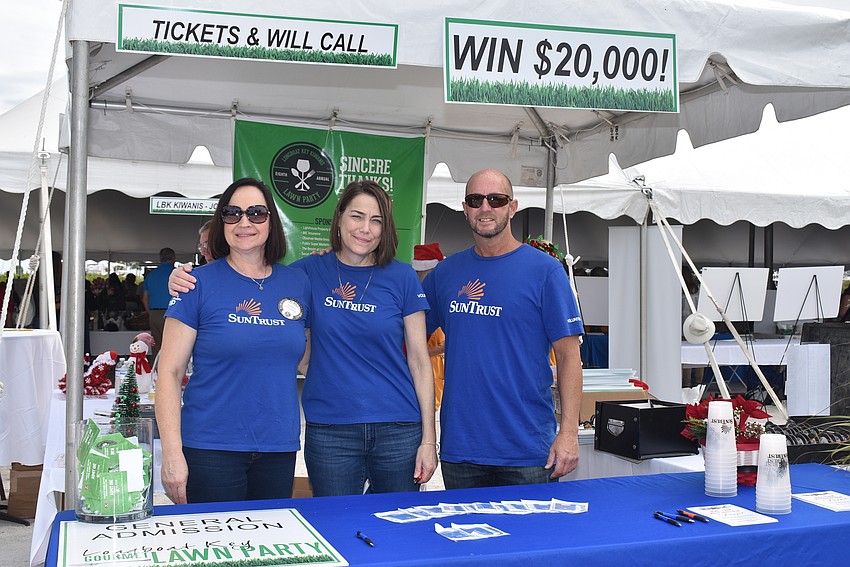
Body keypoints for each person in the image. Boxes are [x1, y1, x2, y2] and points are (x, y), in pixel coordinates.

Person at [169, 180, 437, 496]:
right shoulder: (306, 272)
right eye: (356, 216)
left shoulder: (401, 276)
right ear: (339, 219)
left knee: (398, 527)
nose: (365, 228)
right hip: (330, 428)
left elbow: (420, 361)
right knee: (335, 528)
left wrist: (428, 439)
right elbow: (252, 280)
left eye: (376, 220)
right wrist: (181, 278)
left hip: (397, 427)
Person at [420, 169, 584, 489]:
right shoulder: (446, 273)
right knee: (466, 539)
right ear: (465, 209)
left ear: (513, 207)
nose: (485, 208)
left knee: (529, 540)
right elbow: (407, 339)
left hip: (527, 451)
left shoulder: (545, 272)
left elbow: (569, 357)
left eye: (496, 199)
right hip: (461, 450)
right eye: (475, 200)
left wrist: (568, 433)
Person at [156, 178, 310, 504]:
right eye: (232, 213)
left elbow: (307, 357)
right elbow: (168, 372)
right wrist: (171, 454)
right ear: (221, 221)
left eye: (256, 213)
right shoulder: (194, 284)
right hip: (211, 447)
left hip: (278, 447)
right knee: (215, 552)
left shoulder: (298, 283)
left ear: (272, 221)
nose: (244, 222)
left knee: (268, 550)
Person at [412, 242, 446, 411]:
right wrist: (440, 349)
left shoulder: (438, 302)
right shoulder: (417, 305)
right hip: (421, 376)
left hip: (435, 373)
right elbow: (409, 349)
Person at [142, 248, 176, 359]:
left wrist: (150, 312)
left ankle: (157, 373)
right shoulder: (177, 273)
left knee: (156, 346)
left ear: (160, 259)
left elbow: (145, 299)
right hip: (174, 314)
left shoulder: (151, 275)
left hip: (154, 314)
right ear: (173, 258)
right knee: (174, 346)